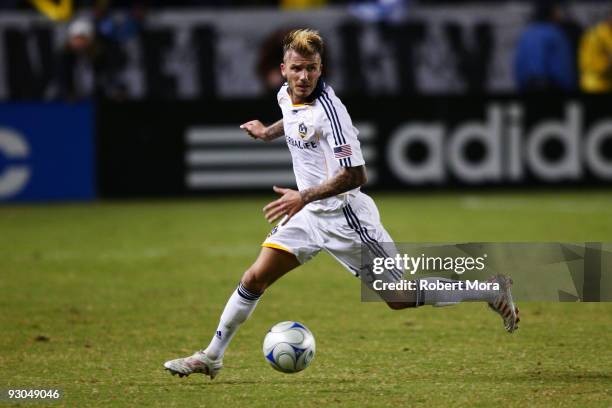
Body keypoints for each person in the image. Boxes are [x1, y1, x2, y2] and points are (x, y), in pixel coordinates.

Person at [163, 29, 520, 380]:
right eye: (298, 68)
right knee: (254, 278)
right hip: (307, 216)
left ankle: (489, 289)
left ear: (322, 68)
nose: (304, 76)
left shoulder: (331, 115)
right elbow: (292, 120)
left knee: (397, 297)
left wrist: (302, 196)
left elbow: (355, 176)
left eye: (313, 68)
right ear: (284, 68)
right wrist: (267, 132)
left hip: (346, 219)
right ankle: (211, 357)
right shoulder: (286, 95)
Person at [514, 1, 576, 92]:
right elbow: (563, 67)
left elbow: (519, 65)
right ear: (551, 12)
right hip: (552, 85)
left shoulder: (527, 34)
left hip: (528, 85)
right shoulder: (555, 34)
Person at [579, 9, 612, 93]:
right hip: (595, 86)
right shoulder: (594, 36)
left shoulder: (607, 34)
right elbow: (589, 63)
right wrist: (607, 64)